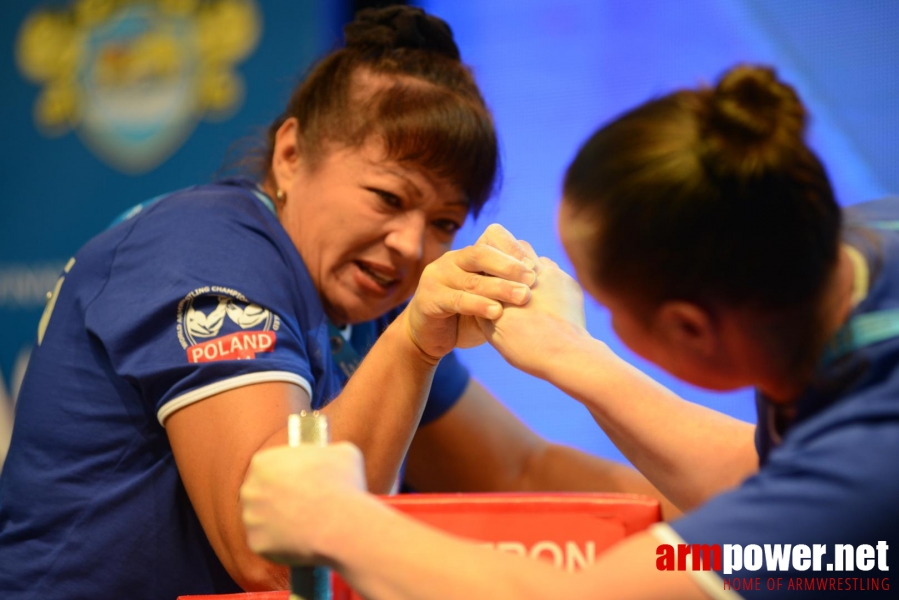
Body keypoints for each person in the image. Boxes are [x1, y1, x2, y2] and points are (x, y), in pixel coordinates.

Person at [0, 7, 671, 598]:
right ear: (291, 155)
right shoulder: (205, 252)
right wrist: (413, 343)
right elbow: (277, 556)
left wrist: (728, 532)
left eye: (444, 222)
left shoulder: (364, 303)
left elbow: (523, 469)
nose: (412, 246)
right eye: (388, 197)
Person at [241, 64, 899, 598]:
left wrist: (337, 522)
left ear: (687, 328)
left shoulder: (867, 462)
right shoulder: (843, 249)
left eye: (604, 302)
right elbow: (769, 480)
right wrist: (572, 354)